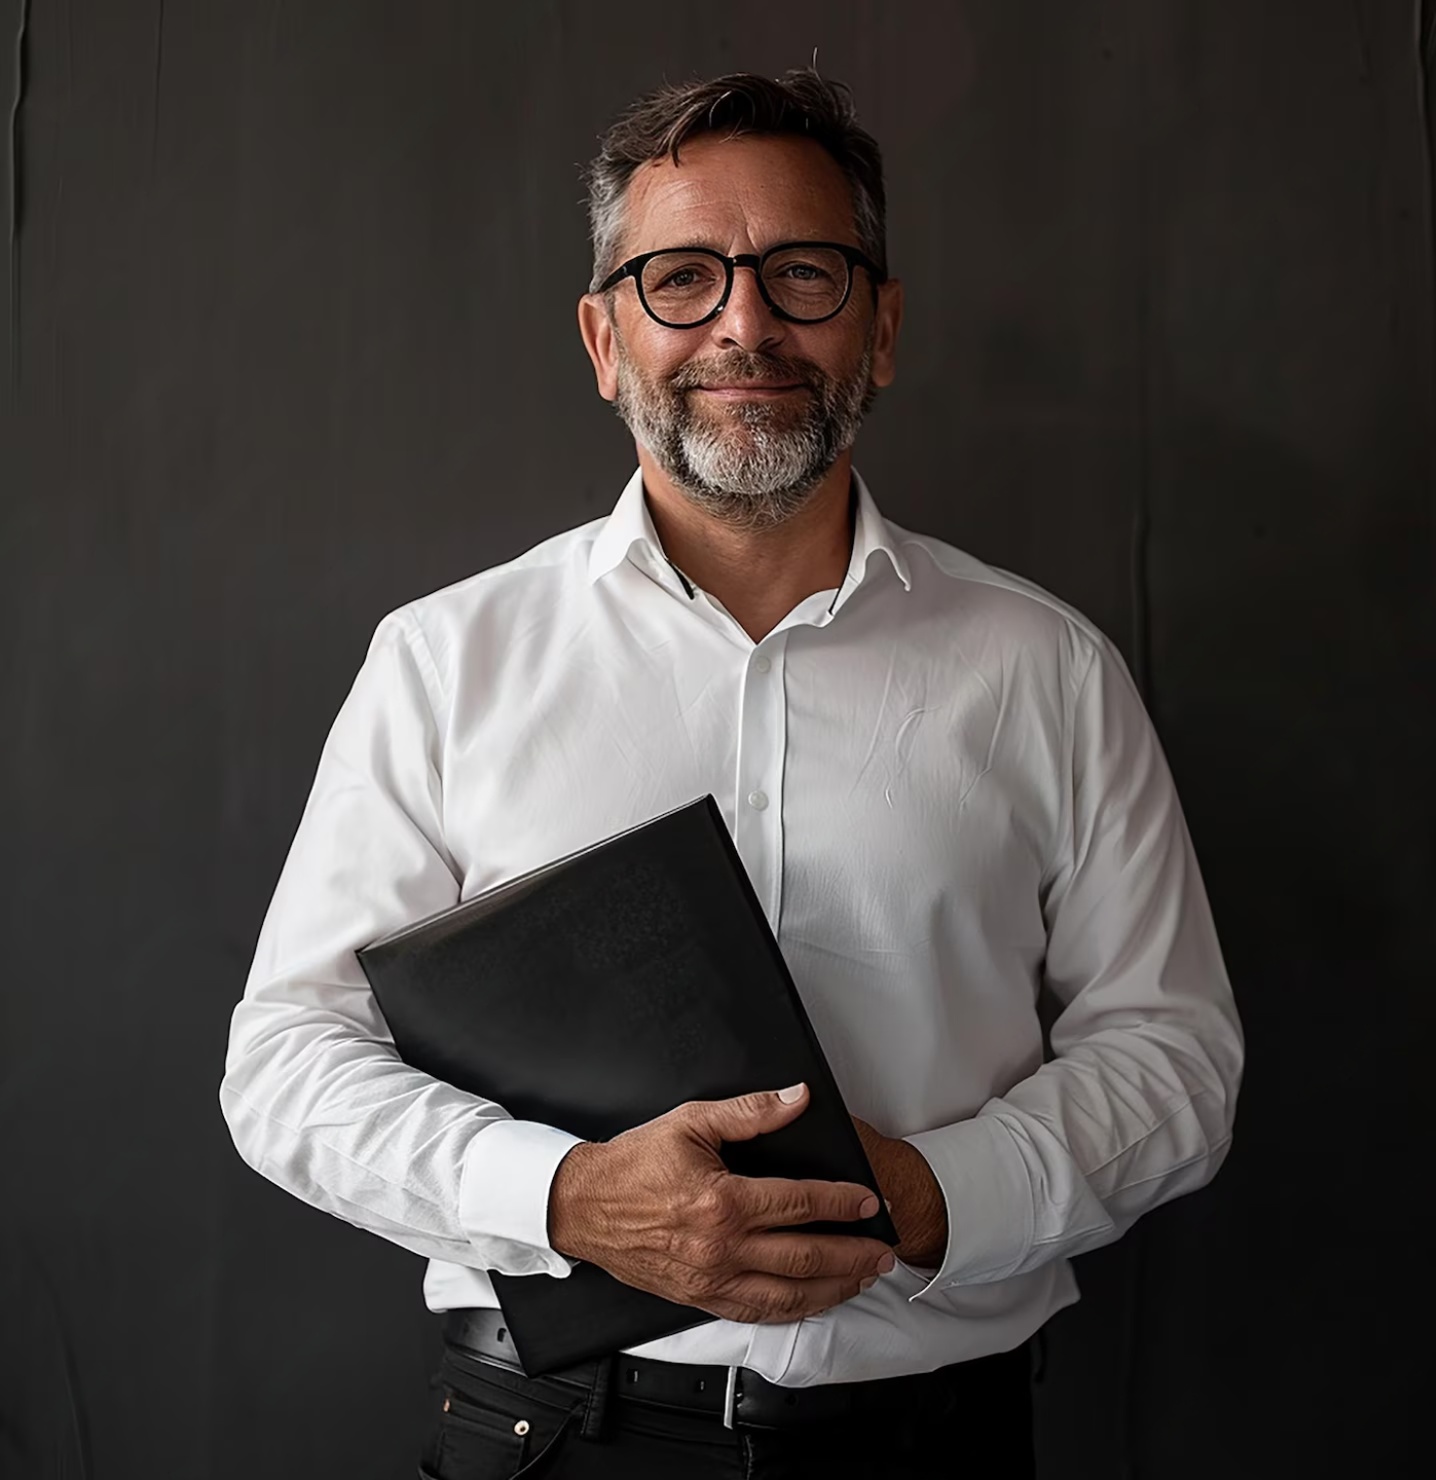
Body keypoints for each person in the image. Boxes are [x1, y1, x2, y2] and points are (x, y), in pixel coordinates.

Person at [220, 69, 1244, 1480]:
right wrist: (566, 1198)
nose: (745, 325)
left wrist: (934, 1195)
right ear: (605, 339)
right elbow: (287, 1063)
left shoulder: (1049, 670)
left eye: (802, 274)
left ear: (882, 327)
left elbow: (1176, 1060)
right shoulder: (446, 662)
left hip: (932, 1444)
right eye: (682, 278)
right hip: (554, 1440)